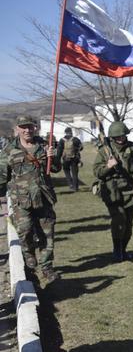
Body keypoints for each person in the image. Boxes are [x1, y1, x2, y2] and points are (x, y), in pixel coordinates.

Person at [0, 115, 61, 282]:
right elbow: (2, 176)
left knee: (47, 234)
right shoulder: (9, 151)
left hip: (43, 197)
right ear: (17, 129)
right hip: (22, 201)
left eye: (30, 127)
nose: (27, 130)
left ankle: (47, 268)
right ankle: (29, 260)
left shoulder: (44, 146)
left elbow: (55, 168)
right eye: (23, 127)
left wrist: (52, 156)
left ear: (35, 128)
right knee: (25, 232)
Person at [92, 121, 133, 262]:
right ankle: (116, 250)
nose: (121, 138)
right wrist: (108, 166)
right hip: (112, 191)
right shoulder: (104, 151)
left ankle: (124, 250)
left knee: (128, 223)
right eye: (117, 136)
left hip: (131, 190)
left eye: (122, 135)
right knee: (119, 220)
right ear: (112, 137)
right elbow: (97, 172)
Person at [58, 127, 83, 192]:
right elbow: (81, 147)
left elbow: (59, 151)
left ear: (65, 132)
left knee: (66, 171)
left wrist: (58, 159)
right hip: (74, 158)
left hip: (65, 158)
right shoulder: (75, 139)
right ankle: (76, 187)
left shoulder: (61, 140)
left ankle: (70, 184)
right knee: (75, 173)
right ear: (71, 132)